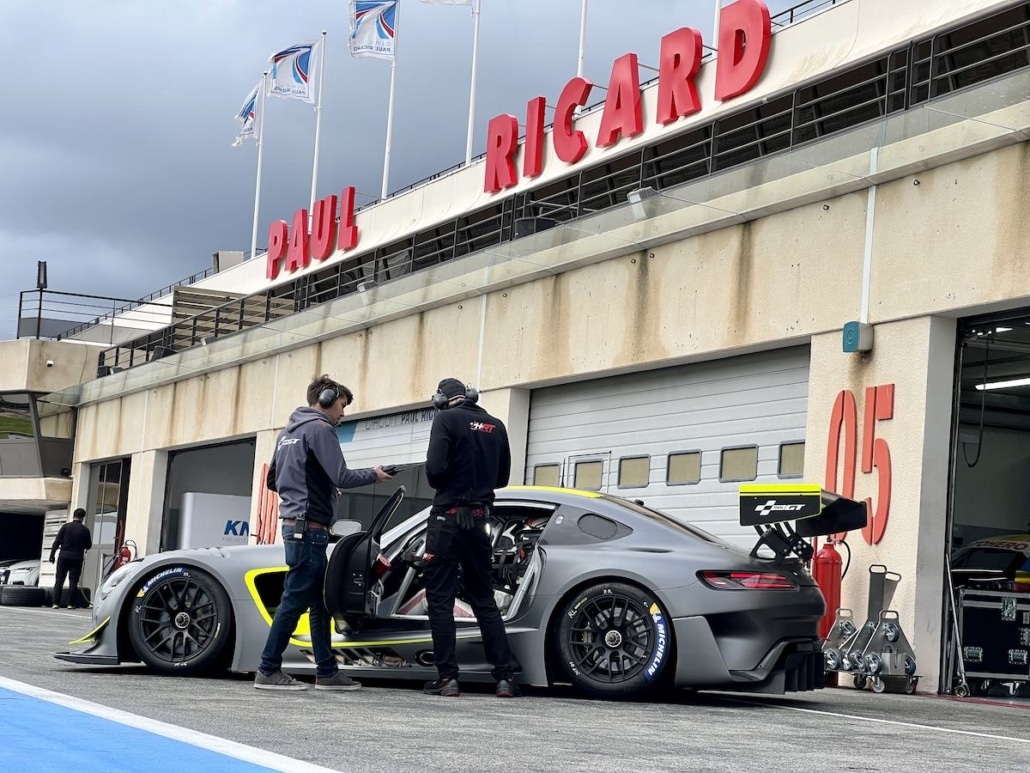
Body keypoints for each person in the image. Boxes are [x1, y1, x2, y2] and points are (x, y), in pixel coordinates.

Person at [255, 374, 392, 692]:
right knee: (293, 600)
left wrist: (316, 486)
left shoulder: (287, 433)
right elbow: (342, 475)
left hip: (295, 527)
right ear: (327, 399)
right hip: (309, 530)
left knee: (318, 603)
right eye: (342, 405)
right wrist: (374, 474)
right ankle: (268, 669)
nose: (343, 413)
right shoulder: (320, 428)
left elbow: (273, 481)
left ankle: (327, 672)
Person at [422, 377, 520, 698]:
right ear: (470, 397)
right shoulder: (496, 425)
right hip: (480, 522)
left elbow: (435, 472)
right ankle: (504, 677)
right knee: (483, 598)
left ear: (441, 400)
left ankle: (447, 678)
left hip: (447, 520)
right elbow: (502, 478)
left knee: (440, 600)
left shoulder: (445, 420)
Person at [50, 508, 92, 609]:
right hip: (77, 558)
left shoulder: (65, 527)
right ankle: (71, 604)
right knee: (73, 582)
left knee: (59, 580)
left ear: (73, 515)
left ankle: (56, 603)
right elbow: (88, 545)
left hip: (64, 556)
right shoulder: (85, 530)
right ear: (83, 517)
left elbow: (57, 541)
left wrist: (52, 555)